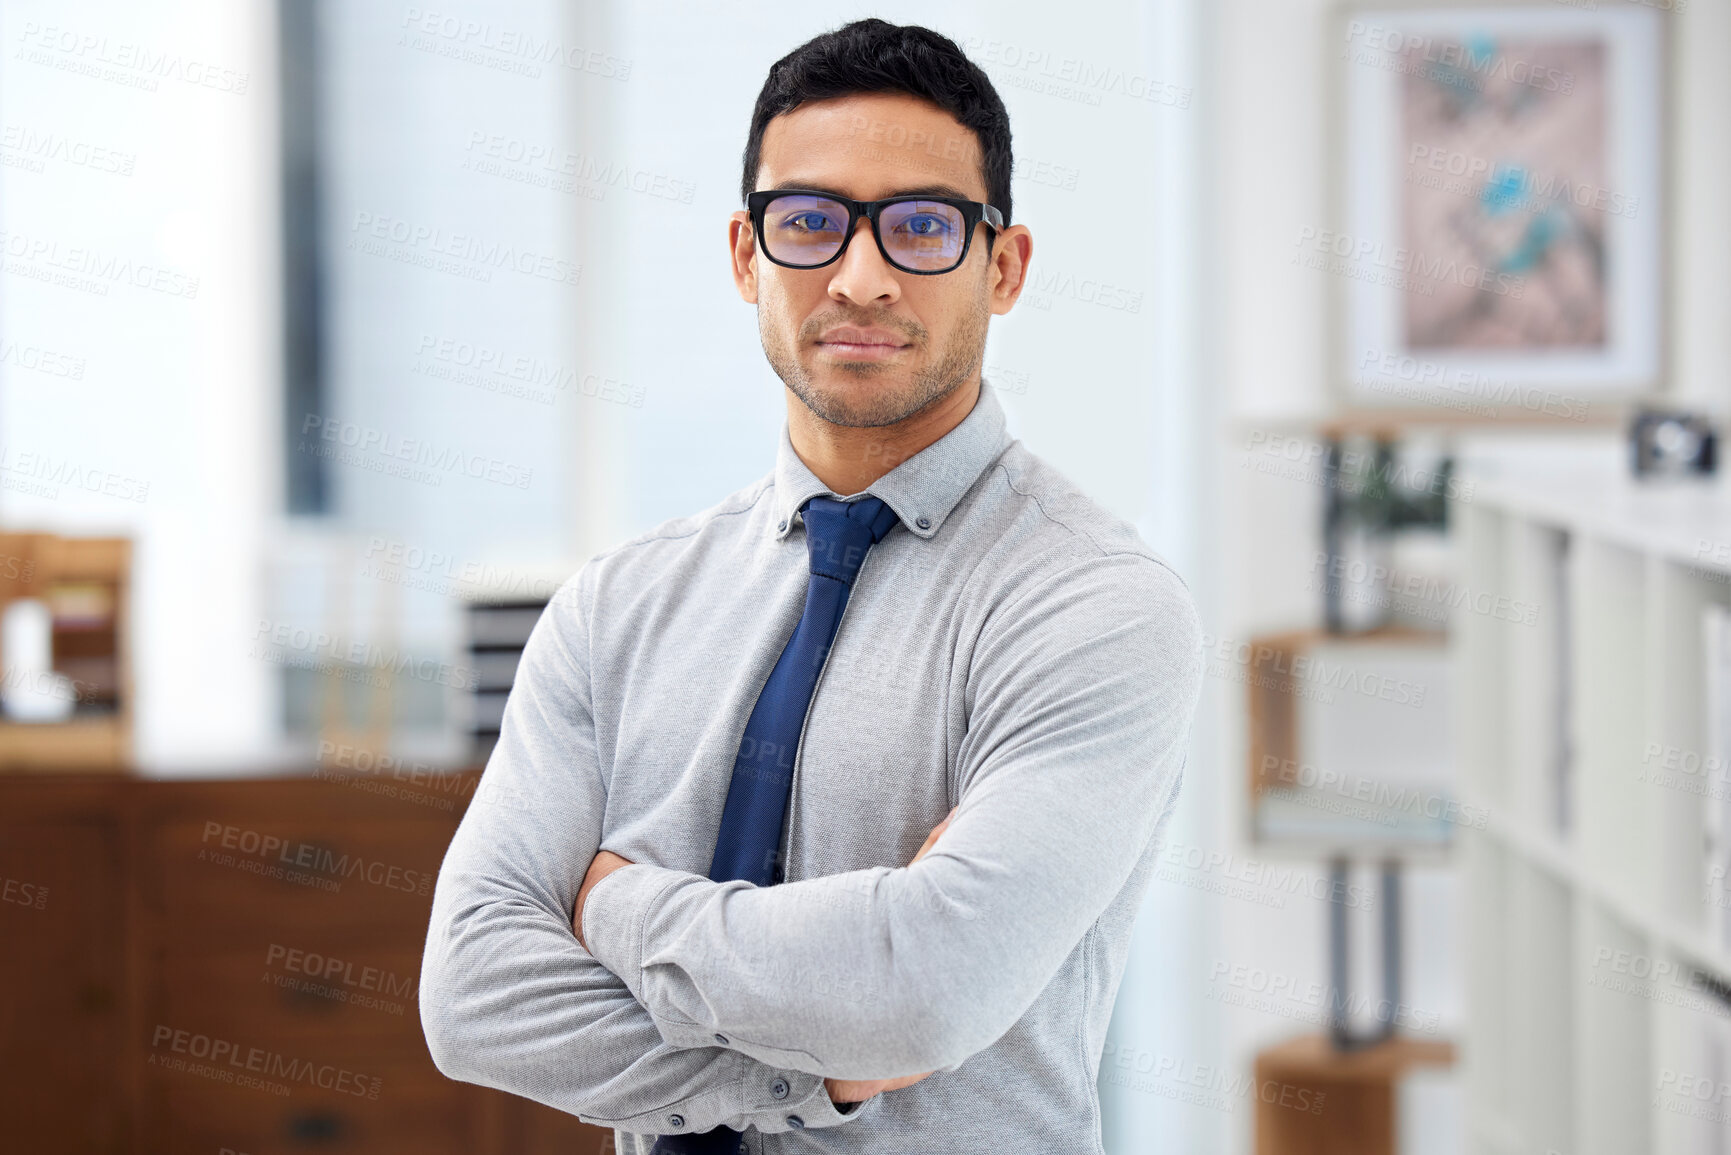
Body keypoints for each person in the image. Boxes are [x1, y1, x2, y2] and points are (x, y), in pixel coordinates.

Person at [420, 18, 1204, 1155]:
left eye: (923, 226)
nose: (862, 275)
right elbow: (476, 999)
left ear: (1005, 266)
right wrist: (814, 1078)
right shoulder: (618, 608)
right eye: (810, 223)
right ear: (747, 255)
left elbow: (926, 991)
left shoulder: (1095, 606)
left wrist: (611, 906)